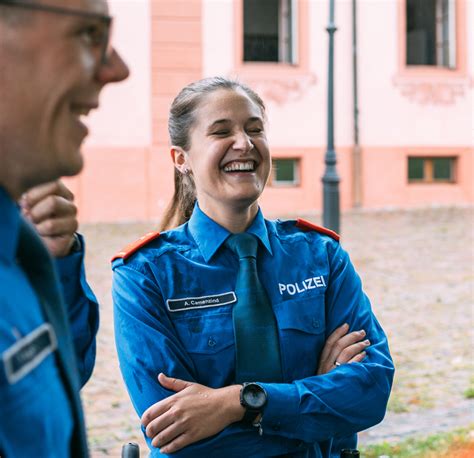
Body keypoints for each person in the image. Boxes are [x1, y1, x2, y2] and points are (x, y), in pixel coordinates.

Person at [112, 77, 394, 457]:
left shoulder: (321, 257)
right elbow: (177, 437)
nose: (244, 143)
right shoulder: (145, 276)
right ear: (182, 159)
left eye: (255, 129)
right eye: (221, 131)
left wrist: (236, 403)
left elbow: (371, 391)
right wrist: (315, 395)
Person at [0, 0, 129, 456]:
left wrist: (55, 261)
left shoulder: (20, 246)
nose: (118, 68)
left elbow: (66, 370)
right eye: (92, 35)